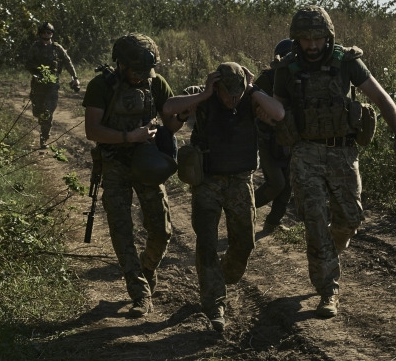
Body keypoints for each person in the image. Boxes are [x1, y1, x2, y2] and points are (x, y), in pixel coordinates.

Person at [272, 6, 396, 318]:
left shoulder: (346, 62)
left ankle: (329, 252)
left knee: (351, 218)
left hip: (342, 151)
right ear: (296, 39)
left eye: (318, 38)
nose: (311, 45)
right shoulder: (288, 68)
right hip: (305, 153)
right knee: (316, 221)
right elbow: (278, 110)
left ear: (328, 36)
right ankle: (328, 291)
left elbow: (381, 98)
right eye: (305, 39)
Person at [163, 62, 284, 331]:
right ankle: (214, 302)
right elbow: (169, 109)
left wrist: (252, 90)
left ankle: (219, 275)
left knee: (244, 244)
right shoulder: (203, 96)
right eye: (226, 94)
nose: (232, 99)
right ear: (216, 86)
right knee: (206, 242)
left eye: (237, 93)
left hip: (241, 181)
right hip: (207, 181)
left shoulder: (250, 98)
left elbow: (279, 114)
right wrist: (204, 94)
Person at [82, 33, 184, 317]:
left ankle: (146, 269)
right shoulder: (100, 86)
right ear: (120, 64)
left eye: (144, 72)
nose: (140, 78)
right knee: (122, 231)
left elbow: (170, 125)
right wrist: (129, 136)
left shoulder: (156, 83)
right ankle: (139, 293)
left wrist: (184, 115)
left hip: (147, 163)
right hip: (114, 165)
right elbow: (92, 130)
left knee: (162, 231)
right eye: (135, 71)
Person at [253, 38, 294, 233]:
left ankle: (272, 223)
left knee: (287, 186)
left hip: (291, 139)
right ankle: (243, 210)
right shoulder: (267, 79)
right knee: (277, 183)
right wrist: (267, 118)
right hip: (268, 138)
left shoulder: (301, 77)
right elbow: (251, 106)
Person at [25, 22, 80, 149]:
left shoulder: (57, 48)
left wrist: (75, 78)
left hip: (52, 85)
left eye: (48, 33)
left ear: (52, 34)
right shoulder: (35, 47)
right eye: (43, 33)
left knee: (47, 111)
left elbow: (68, 62)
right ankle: (42, 124)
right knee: (37, 111)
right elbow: (28, 64)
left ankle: (43, 138)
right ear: (40, 34)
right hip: (38, 85)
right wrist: (35, 73)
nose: (46, 35)